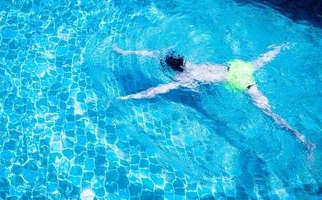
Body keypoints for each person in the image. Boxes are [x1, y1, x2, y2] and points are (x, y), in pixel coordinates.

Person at [113, 44, 315, 154]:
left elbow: (157, 90)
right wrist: (125, 51)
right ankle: (281, 47)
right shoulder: (189, 64)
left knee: (268, 113)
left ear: (174, 69)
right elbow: (154, 53)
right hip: (238, 67)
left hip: (239, 81)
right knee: (261, 60)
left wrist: (129, 97)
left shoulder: (184, 78)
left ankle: (300, 138)